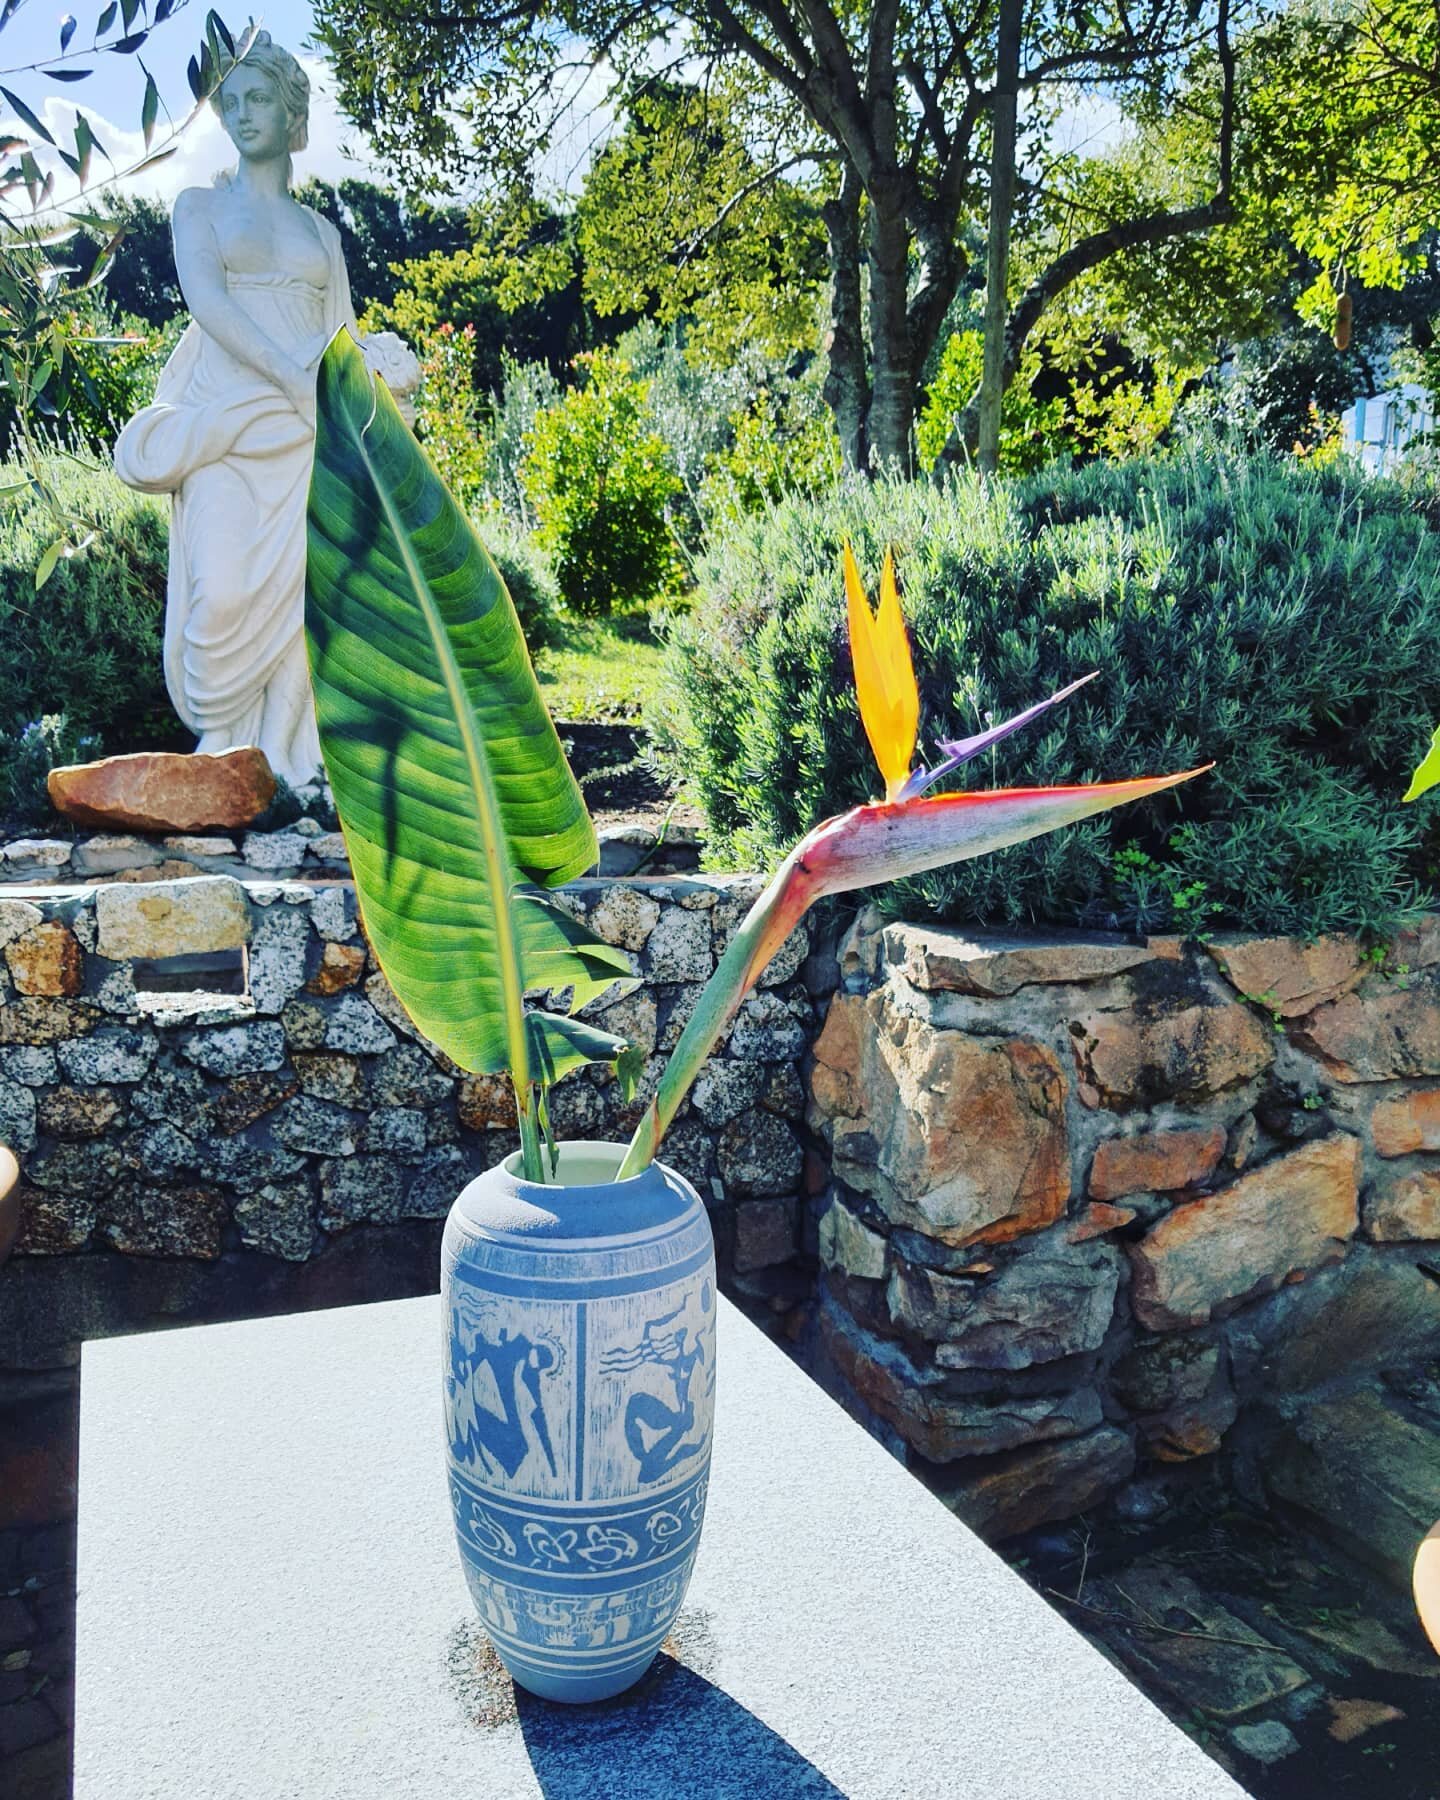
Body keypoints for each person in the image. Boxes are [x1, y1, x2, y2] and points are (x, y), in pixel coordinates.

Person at [114, 35, 413, 785]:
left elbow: (340, 332)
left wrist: (384, 367)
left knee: (308, 597)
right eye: (232, 102)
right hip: (230, 421)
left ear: (292, 112)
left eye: (259, 99)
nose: (243, 114)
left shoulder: (321, 233)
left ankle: (286, 764)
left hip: (308, 429)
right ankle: (219, 749)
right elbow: (209, 304)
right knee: (224, 591)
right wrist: (287, 374)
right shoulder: (200, 208)